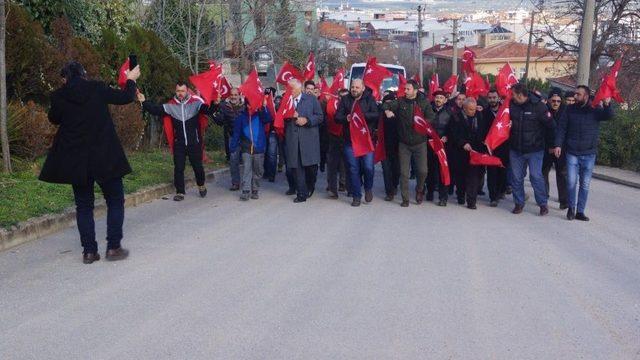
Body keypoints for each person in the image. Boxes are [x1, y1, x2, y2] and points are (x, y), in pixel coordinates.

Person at [39, 61, 140, 264]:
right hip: (105, 156)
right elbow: (126, 97)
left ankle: (89, 252)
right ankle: (113, 247)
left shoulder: (59, 96)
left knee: (84, 206)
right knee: (114, 199)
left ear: (65, 78)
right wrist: (130, 80)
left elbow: (54, 119)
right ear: (83, 74)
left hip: (77, 161)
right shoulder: (97, 88)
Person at [138, 81, 215, 201]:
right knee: (178, 167)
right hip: (179, 143)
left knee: (198, 167)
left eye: (182, 91)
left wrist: (216, 103)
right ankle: (180, 192)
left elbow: (208, 110)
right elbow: (155, 110)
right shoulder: (171, 106)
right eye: (178, 91)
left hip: (194, 142)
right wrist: (144, 101)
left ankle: (201, 185)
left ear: (187, 91)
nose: (180, 93)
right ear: (175, 91)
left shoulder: (195, 104)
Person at [554, 85, 613, 221]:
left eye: (578, 94)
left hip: (589, 153)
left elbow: (608, 115)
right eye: (575, 94)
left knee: (585, 184)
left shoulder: (595, 109)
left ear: (586, 96)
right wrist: (558, 145)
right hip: (572, 152)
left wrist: (607, 104)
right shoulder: (569, 109)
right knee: (571, 182)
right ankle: (571, 208)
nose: (575, 96)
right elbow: (562, 128)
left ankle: (580, 211)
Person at [382, 79, 435, 207]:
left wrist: (423, 123)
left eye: (408, 89)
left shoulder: (424, 102)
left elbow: (431, 117)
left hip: (420, 142)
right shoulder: (400, 102)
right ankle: (405, 198)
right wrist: (387, 111)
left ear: (415, 90)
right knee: (404, 173)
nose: (405, 91)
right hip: (404, 143)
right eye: (405, 89)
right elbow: (385, 105)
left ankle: (419, 189)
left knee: (422, 171)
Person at [509, 83, 555, 215]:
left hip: (535, 149)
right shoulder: (511, 105)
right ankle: (519, 203)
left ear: (519, 94)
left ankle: (542, 203)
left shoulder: (539, 106)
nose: (511, 97)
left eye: (513, 94)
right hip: (516, 149)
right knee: (516, 177)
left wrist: (552, 145)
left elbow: (551, 125)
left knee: (535, 176)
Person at [334, 78, 379, 207]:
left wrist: (361, 115)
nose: (354, 89)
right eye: (352, 87)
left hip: (366, 140)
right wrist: (346, 118)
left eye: (357, 87)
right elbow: (337, 117)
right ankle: (356, 196)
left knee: (368, 168)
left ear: (363, 88)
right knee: (353, 169)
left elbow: (376, 114)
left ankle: (368, 187)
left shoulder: (369, 99)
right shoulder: (345, 99)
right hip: (350, 141)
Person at [284, 78, 324, 203]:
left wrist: (307, 120)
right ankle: (301, 193)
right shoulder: (286, 100)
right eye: (288, 88)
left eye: (292, 89)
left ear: (299, 89)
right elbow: (280, 117)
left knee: (311, 167)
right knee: (297, 167)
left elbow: (320, 117)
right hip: (293, 139)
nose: (290, 91)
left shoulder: (311, 99)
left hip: (309, 139)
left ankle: (310, 185)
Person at [451, 97, 490, 209]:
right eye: (470, 109)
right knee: (460, 177)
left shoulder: (480, 116)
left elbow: (484, 131)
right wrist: (462, 143)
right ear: (464, 108)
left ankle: (471, 201)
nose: (473, 111)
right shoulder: (456, 117)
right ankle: (460, 195)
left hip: (476, 151)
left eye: (474, 109)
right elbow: (454, 134)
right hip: (461, 151)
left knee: (473, 177)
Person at [230, 100, 272, 200]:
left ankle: (255, 189)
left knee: (258, 170)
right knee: (246, 169)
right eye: (250, 104)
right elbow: (236, 133)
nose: (252, 106)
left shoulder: (260, 115)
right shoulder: (241, 117)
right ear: (247, 105)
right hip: (246, 148)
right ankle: (246, 190)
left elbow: (268, 118)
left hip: (259, 147)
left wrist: (264, 107)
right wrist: (233, 147)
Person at [542, 88, 568, 209]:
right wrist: (548, 148)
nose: (556, 103)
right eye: (553, 100)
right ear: (549, 100)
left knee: (562, 174)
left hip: (561, 149)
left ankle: (563, 200)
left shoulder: (565, 112)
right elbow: (539, 132)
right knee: (543, 173)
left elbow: (566, 132)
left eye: (558, 101)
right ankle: (543, 196)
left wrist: (560, 146)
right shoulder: (543, 111)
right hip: (546, 148)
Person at [213, 87, 244, 190]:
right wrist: (215, 109)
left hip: (246, 138)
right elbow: (219, 121)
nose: (233, 96)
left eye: (236, 95)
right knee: (233, 160)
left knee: (248, 161)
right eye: (232, 94)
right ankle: (235, 183)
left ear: (239, 95)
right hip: (233, 137)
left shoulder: (245, 106)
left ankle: (249, 182)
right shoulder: (224, 106)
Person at [426, 90, 453, 206]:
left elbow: (453, 129)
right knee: (430, 170)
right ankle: (430, 192)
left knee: (443, 171)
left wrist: (447, 136)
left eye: (441, 98)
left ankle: (443, 197)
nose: (439, 100)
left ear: (445, 100)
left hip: (443, 146)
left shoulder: (450, 113)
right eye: (437, 97)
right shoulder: (427, 111)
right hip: (429, 144)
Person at [483, 89, 510, 207]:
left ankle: (500, 191)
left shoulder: (505, 111)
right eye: (490, 98)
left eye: (494, 97)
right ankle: (493, 197)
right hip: (490, 147)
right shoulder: (484, 112)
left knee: (503, 172)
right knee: (492, 172)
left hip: (504, 146)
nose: (492, 100)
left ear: (498, 98)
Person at [380, 92, 401, 202]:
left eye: (390, 103)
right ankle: (389, 192)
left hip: (398, 147)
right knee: (386, 170)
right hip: (384, 146)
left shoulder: (399, 114)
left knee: (396, 170)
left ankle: (395, 185)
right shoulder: (381, 114)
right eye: (386, 103)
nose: (388, 105)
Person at [262, 87, 279, 182]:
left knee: (272, 154)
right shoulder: (263, 103)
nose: (268, 96)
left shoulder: (277, 105)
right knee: (265, 153)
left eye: (270, 94)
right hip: (264, 132)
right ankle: (266, 171)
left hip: (273, 132)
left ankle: (272, 173)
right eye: (266, 94)